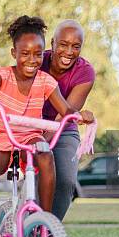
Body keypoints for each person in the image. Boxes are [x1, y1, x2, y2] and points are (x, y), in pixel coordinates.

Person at [0, 16, 94, 237]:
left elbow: (66, 109)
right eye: (25, 54)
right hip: (3, 131)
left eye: (37, 54)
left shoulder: (51, 80)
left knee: (47, 158)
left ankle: (45, 225)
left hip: (38, 130)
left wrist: (80, 116)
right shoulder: (6, 73)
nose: (33, 60)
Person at [40, 19, 95, 221]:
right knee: (37, 178)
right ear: (52, 43)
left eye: (76, 46)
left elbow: (65, 114)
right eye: (63, 44)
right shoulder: (37, 61)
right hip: (30, 124)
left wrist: (43, 142)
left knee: (64, 180)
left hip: (63, 129)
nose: (69, 52)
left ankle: (49, 234)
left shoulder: (85, 72)